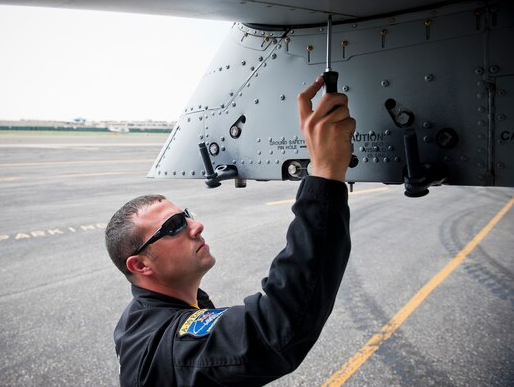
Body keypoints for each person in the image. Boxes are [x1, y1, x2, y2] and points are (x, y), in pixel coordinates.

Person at [105, 76, 356, 386]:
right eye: (173, 227)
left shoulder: (145, 315)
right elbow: (275, 329)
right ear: (140, 265)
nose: (195, 226)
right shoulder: (170, 345)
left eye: (186, 216)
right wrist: (326, 173)